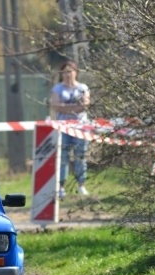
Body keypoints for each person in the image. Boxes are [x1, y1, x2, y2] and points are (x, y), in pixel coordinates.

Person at [51, 59, 91, 198]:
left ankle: (81, 185)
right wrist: (74, 108)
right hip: (63, 128)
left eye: (70, 71)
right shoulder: (58, 89)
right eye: (64, 72)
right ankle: (61, 187)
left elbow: (84, 106)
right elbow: (56, 106)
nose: (67, 75)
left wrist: (66, 107)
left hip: (81, 128)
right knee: (63, 158)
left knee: (81, 156)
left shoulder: (83, 88)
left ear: (76, 72)